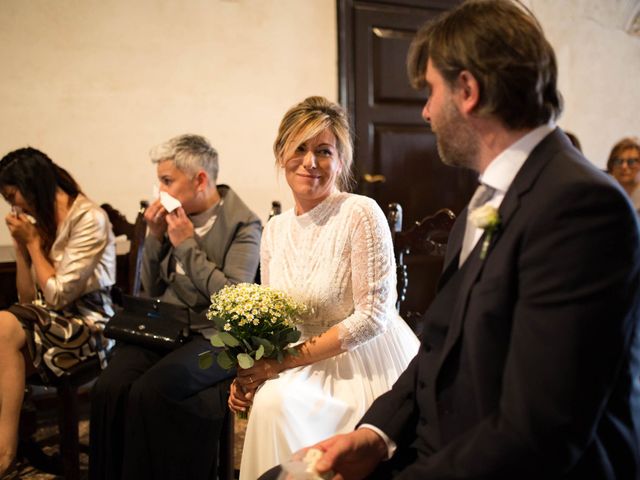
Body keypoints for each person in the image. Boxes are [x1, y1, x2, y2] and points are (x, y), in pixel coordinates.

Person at [260, 1, 640, 479]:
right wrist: (374, 434)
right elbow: (437, 349)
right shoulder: (482, 204)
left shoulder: (582, 206)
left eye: (430, 91)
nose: (424, 112)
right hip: (440, 445)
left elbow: (543, 428)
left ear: (467, 91)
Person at [230, 96, 420, 479]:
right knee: (271, 400)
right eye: (300, 148)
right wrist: (253, 371)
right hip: (299, 360)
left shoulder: (360, 212)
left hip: (362, 360)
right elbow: (275, 320)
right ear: (281, 153)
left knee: (276, 404)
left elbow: (372, 318)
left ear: (340, 160)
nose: (311, 162)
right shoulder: (275, 229)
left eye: (323, 151)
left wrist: (280, 365)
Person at [89, 134, 261, 480]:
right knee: (108, 387)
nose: (160, 191)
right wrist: (154, 238)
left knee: (151, 391)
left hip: (213, 333)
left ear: (200, 180)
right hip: (165, 326)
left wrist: (186, 246)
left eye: (167, 181)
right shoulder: (172, 217)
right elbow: (150, 290)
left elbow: (234, 300)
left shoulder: (244, 224)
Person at [0, 147, 115, 476]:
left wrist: (35, 243)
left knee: (3, 330)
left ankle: (6, 453)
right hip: (47, 321)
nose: (14, 206)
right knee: (4, 336)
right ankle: (14, 443)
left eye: (13, 195)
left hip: (91, 327)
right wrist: (22, 249)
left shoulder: (88, 218)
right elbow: (26, 297)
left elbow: (58, 295)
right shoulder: (43, 220)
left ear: (31, 183)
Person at [607, 137, 640, 211]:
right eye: (618, 161)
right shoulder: (604, 198)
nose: (624, 166)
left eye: (631, 162)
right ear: (611, 167)